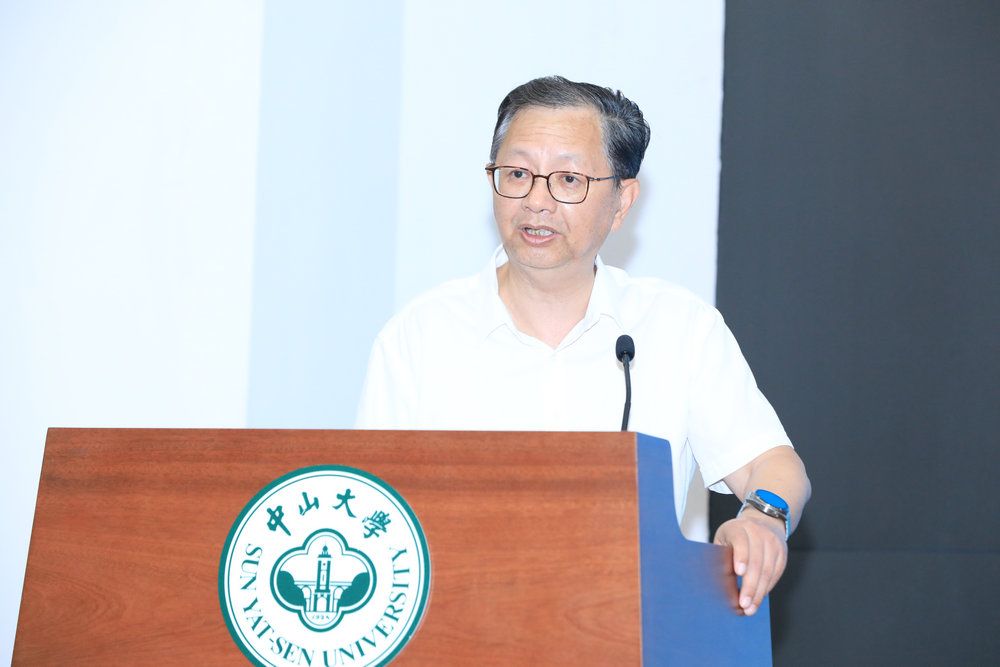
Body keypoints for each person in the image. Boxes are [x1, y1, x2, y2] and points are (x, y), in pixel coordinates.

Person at [357, 75, 811, 617]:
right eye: (517, 174)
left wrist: (763, 518)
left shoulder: (677, 327)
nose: (536, 201)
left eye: (568, 179)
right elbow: (371, 507)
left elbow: (772, 463)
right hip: (460, 624)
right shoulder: (420, 335)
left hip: (633, 627)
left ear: (621, 202)